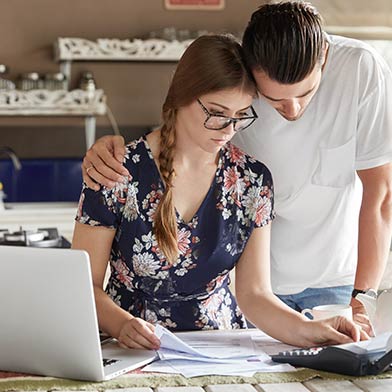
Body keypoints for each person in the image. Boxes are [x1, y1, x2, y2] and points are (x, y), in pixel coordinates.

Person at [81, 2, 392, 335]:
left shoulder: (251, 179)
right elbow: (82, 288)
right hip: (151, 335)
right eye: (217, 113)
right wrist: (122, 325)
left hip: (314, 290)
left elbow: (382, 192)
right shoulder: (121, 171)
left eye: (240, 116)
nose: (229, 129)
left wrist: (353, 305)